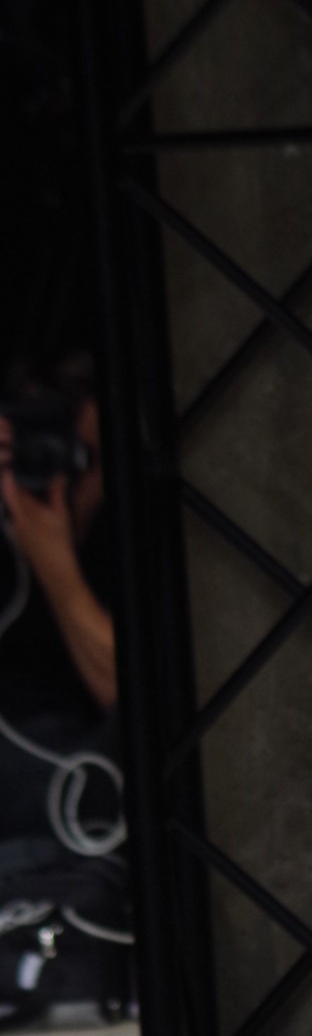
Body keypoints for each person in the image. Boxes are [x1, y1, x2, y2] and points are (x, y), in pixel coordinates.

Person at [0, 359, 119, 850]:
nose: (55, 474)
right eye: (30, 452)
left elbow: (141, 699)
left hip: (74, 838)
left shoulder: (132, 553)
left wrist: (56, 567)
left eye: (80, 458)